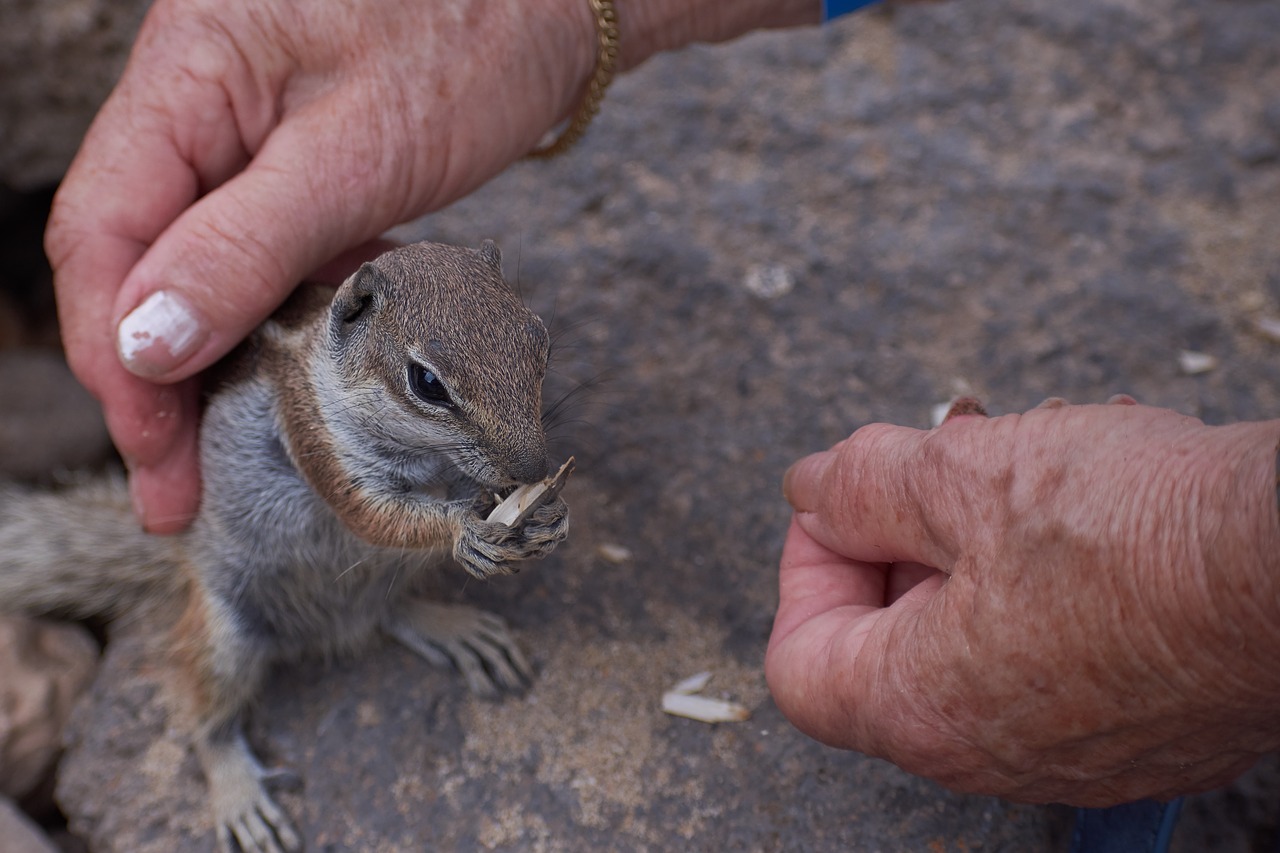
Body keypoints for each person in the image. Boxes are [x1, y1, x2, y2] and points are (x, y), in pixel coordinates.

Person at [44, 0, 1280, 808]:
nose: (519, 446)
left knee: (425, 538)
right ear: (356, 331)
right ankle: (216, 753)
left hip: (381, 574)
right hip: (263, 563)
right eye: (430, 392)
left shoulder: (457, 378)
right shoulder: (304, 388)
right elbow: (370, 509)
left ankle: (394, 619)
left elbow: (455, 464)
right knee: (235, 633)